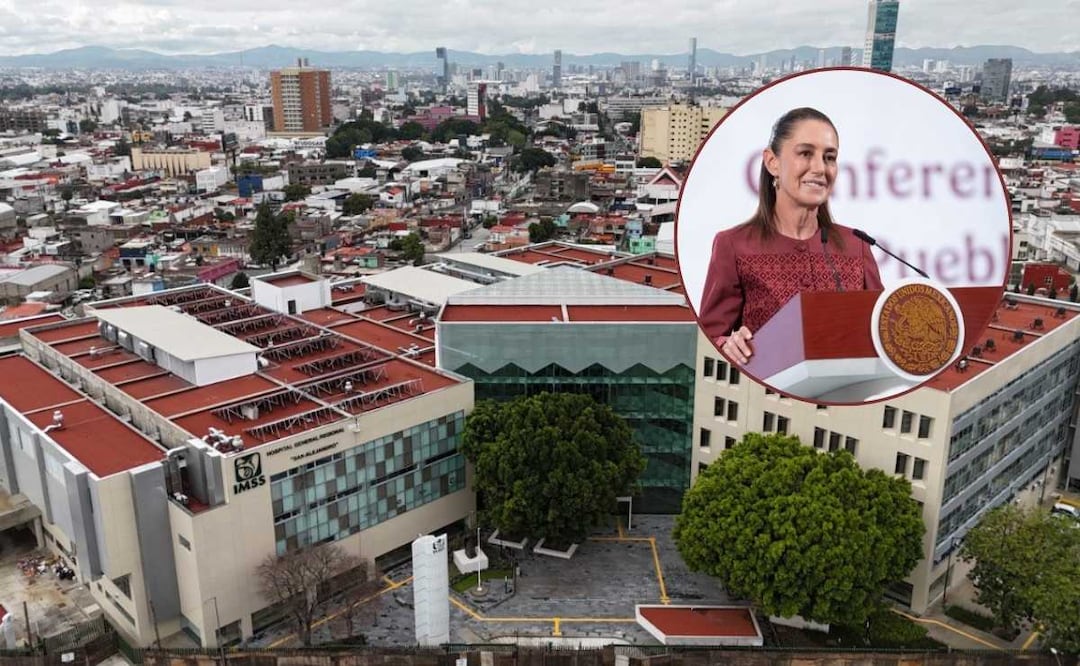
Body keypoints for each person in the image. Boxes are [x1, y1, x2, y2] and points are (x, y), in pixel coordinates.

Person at [698, 107, 883, 365]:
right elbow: (709, 337)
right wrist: (726, 345)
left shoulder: (856, 245)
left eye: (829, 157)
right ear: (772, 162)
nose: (820, 168)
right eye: (805, 153)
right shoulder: (734, 245)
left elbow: (883, 332)